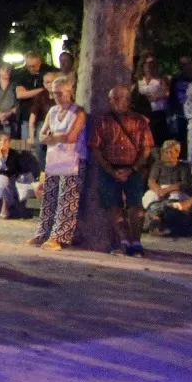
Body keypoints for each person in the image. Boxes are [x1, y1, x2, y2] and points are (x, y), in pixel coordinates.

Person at [91, 85, 155, 255]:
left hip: (133, 169)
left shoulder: (140, 121)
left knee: (135, 206)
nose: (113, 102)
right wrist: (110, 170)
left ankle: (136, 241)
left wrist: (132, 169)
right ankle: (123, 240)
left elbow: (146, 148)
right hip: (110, 168)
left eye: (117, 98)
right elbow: (96, 148)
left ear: (128, 100)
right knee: (112, 206)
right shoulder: (103, 121)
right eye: (111, 99)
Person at [30, 74, 86, 251]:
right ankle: (43, 233)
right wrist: (56, 138)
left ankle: (59, 236)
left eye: (60, 93)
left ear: (69, 92)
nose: (56, 97)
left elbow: (71, 137)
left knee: (66, 199)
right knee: (50, 196)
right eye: (54, 93)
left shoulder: (78, 112)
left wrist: (52, 138)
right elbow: (41, 136)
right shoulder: (52, 111)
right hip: (54, 159)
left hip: (72, 160)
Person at [143, 139, 192, 237]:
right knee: (149, 196)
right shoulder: (158, 165)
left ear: (177, 153)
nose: (168, 155)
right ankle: (158, 214)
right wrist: (159, 190)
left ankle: (156, 218)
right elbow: (151, 181)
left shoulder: (183, 167)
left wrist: (166, 190)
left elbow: (184, 184)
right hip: (159, 190)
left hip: (176, 191)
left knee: (175, 196)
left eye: (171, 152)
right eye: (166, 152)